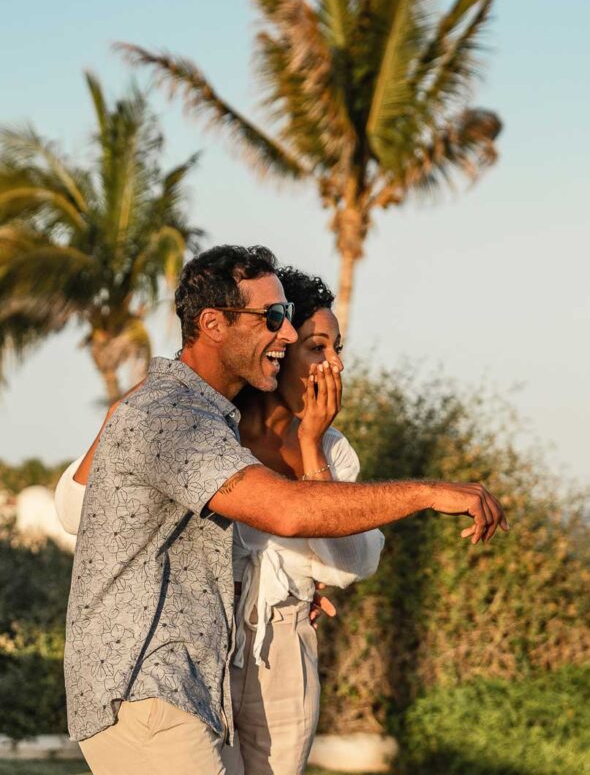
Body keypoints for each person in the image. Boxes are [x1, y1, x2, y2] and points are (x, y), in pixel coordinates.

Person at [63, 244, 508, 775]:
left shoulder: (212, 419)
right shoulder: (175, 415)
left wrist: (309, 459)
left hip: (211, 663)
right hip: (147, 675)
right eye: (277, 321)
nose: (292, 337)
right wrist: (429, 492)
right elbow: (284, 512)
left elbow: (334, 555)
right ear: (214, 323)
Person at [57, 265, 384, 775]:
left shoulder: (332, 450)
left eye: (338, 349)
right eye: (317, 348)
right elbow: (77, 510)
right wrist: (137, 401)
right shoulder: (199, 427)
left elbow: (349, 566)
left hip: (283, 649)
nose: (334, 365)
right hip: (197, 648)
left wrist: (310, 447)